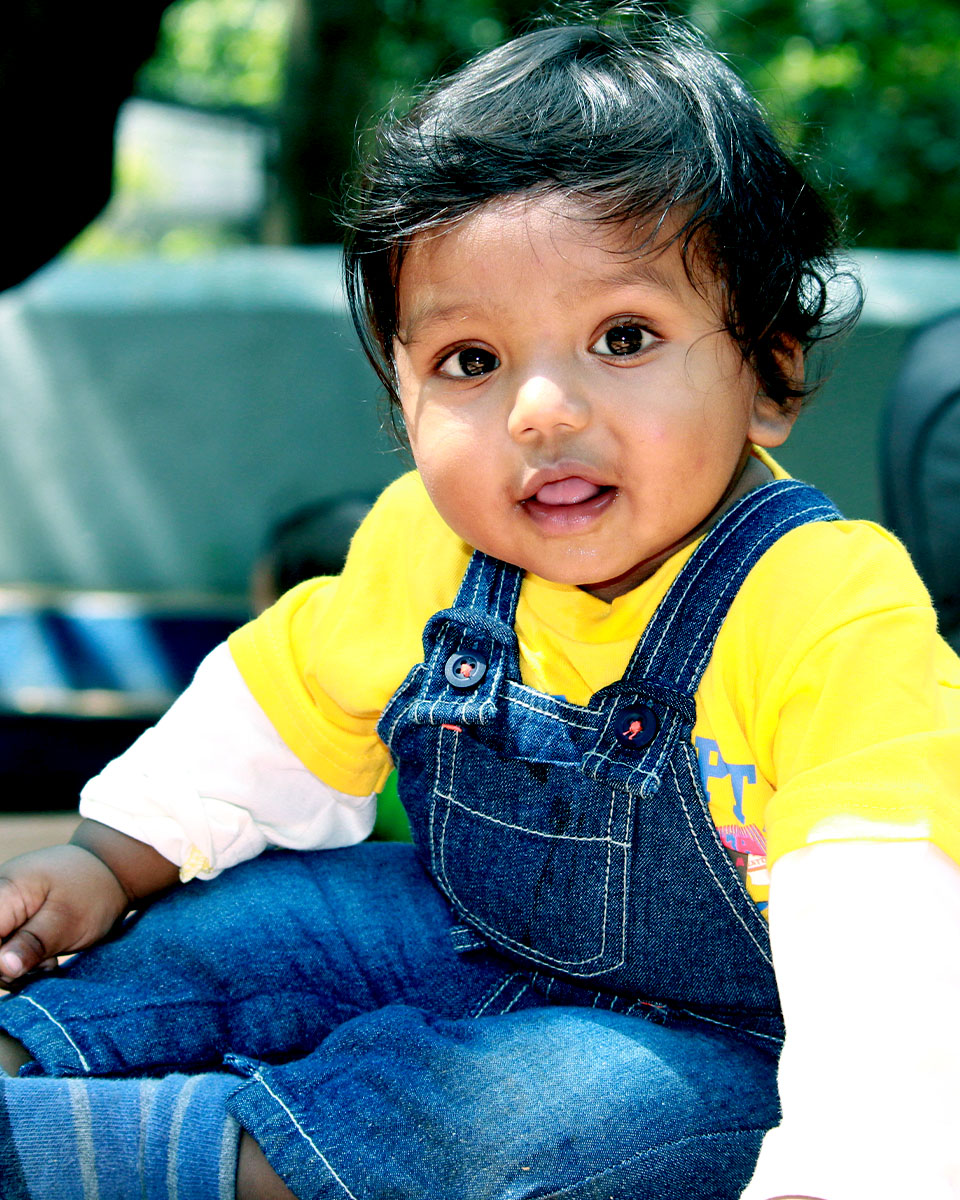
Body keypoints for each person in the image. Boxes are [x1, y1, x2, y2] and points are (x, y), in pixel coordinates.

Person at [1, 7, 959, 1199]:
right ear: (400, 393)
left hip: (731, 1037)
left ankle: (174, 1160)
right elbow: (271, 714)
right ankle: (25, 1050)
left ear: (769, 372)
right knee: (240, 924)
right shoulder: (429, 537)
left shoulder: (825, 600)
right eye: (470, 361)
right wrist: (107, 859)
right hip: (464, 927)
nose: (541, 410)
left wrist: (863, 1161)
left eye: (622, 335)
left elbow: (886, 917)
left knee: (539, 1124)